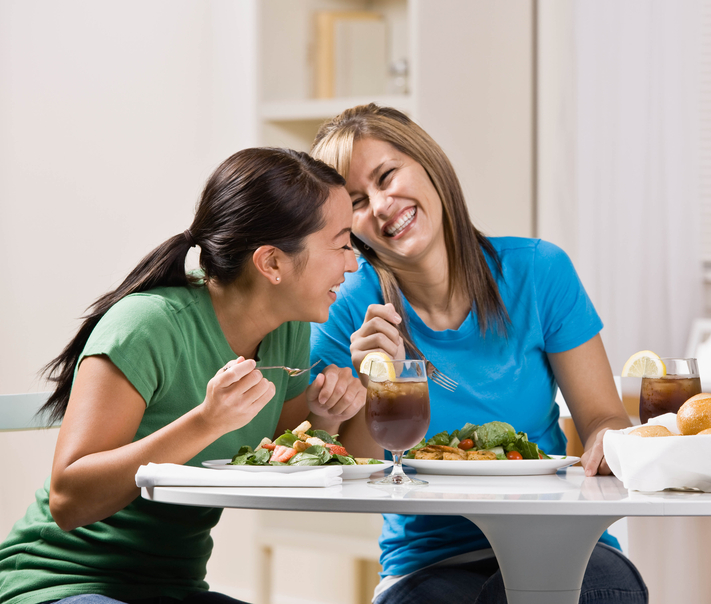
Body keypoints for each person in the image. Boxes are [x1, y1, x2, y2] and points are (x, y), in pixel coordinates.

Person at [309, 104, 649, 604]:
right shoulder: (348, 307)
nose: (381, 206)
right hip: (430, 560)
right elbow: (354, 464)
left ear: (429, 163)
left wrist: (610, 441)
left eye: (387, 176)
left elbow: (603, 418)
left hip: (562, 537)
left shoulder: (539, 273)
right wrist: (367, 387)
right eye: (358, 201)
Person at [0, 148, 364, 604]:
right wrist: (205, 422)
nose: (352, 264)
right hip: (61, 581)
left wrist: (325, 418)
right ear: (271, 263)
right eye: (342, 243)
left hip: (174, 589)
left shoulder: (288, 329)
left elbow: (275, 459)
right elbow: (70, 501)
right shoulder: (147, 325)